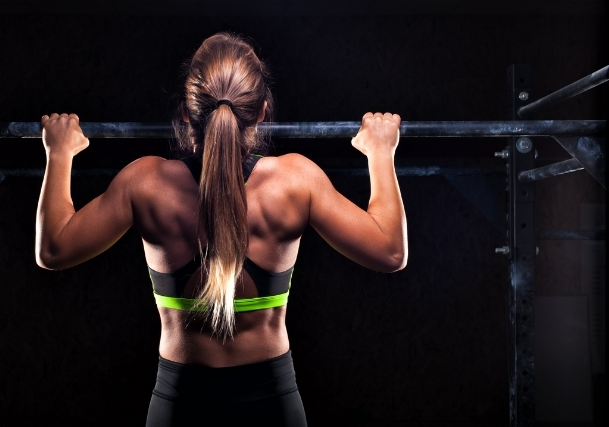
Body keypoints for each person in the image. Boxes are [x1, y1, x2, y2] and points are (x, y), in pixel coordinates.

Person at [35, 32, 407, 427]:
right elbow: (391, 252)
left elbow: (54, 249)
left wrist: (58, 153)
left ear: (185, 112)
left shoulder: (144, 184)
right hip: (271, 405)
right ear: (263, 112)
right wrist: (381, 154)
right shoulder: (296, 182)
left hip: (180, 406)